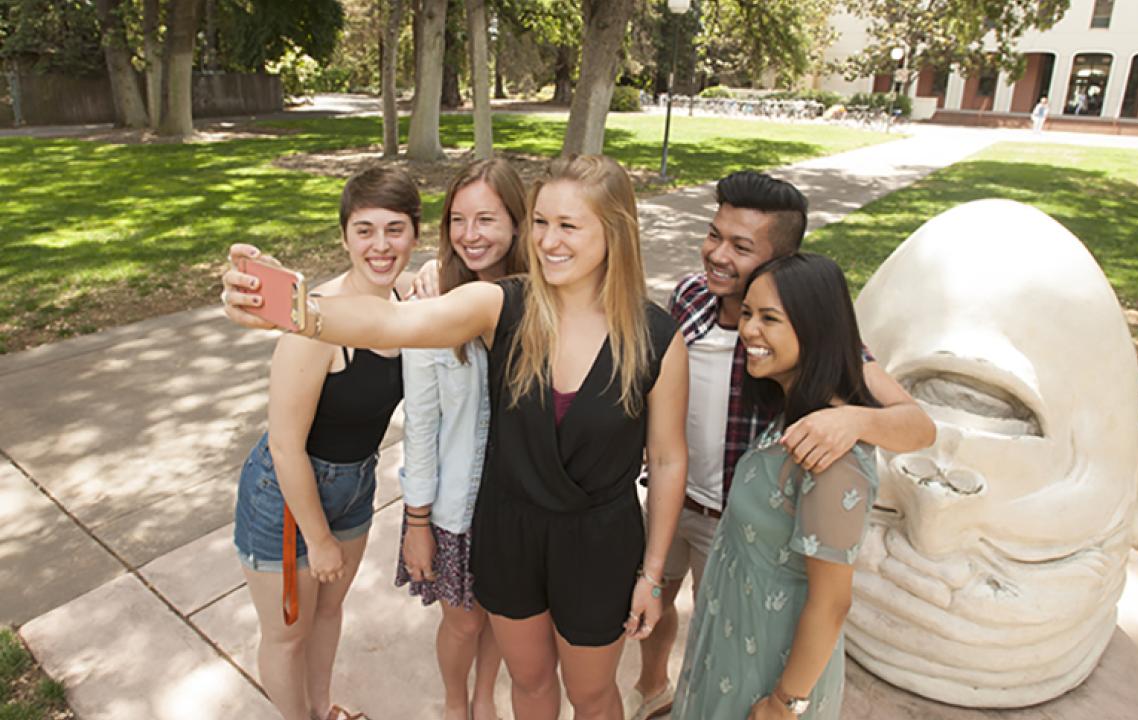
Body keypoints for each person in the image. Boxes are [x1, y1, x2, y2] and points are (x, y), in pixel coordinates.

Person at [223, 154, 689, 720]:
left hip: (598, 545)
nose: (548, 240)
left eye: (568, 225)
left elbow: (666, 460)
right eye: (541, 223)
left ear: (614, 231)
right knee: (530, 683)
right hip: (510, 534)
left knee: (592, 696)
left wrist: (653, 573)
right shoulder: (503, 305)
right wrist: (291, 306)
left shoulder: (657, 338)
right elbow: (392, 323)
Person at [626, 172, 935, 720]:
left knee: (732, 627)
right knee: (663, 605)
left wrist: (853, 422)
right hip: (678, 497)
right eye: (713, 234)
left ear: (779, 261)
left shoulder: (806, 329)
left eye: (741, 247)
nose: (717, 255)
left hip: (749, 520)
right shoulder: (690, 299)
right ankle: (654, 692)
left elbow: (917, 426)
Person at [231, 166, 419, 720]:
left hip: (355, 483)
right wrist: (319, 537)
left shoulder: (409, 300)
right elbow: (286, 446)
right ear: (344, 237)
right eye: (364, 230)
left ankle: (322, 709)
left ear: (414, 233)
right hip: (286, 497)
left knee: (329, 612)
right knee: (287, 633)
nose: (380, 245)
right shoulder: (314, 323)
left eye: (394, 228)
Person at [672, 252, 886, 719]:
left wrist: (785, 702)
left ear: (815, 328)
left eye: (770, 318)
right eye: (747, 313)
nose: (749, 330)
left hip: (770, 669)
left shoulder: (832, 456)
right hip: (732, 643)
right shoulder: (791, 414)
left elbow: (831, 602)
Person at [395, 158, 528, 720]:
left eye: (487, 220)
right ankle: (455, 701)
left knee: (503, 614)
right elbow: (420, 426)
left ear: (518, 224)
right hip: (455, 506)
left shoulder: (545, 302)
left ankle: (483, 696)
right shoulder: (433, 309)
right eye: (457, 219)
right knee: (462, 620)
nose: (469, 236)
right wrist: (418, 523)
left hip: (522, 504)